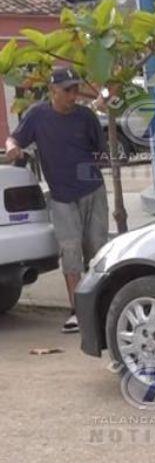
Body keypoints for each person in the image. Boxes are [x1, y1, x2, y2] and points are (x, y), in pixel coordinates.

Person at [4, 67, 108, 333]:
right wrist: (12, 147)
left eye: (75, 89)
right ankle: (78, 311)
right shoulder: (38, 115)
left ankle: (102, 306)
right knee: (70, 251)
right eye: (67, 90)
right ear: (53, 91)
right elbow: (14, 137)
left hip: (93, 191)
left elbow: (100, 150)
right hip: (61, 197)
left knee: (97, 249)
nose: (73, 95)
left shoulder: (85, 116)